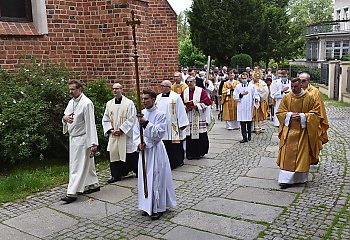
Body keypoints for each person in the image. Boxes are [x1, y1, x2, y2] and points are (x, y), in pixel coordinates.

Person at [137, 89, 176, 220]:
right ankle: (146, 205)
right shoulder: (141, 114)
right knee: (145, 178)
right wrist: (139, 143)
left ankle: (158, 207)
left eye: (146, 99)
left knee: (156, 178)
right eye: (143, 99)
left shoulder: (160, 114)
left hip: (156, 149)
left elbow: (159, 133)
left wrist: (146, 123)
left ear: (153, 99)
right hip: (144, 151)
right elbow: (135, 132)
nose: (144, 101)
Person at [276, 78, 321, 189]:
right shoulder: (287, 97)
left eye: (295, 86)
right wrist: (289, 115)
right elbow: (280, 112)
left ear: (301, 85)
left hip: (303, 132)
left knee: (302, 155)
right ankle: (285, 180)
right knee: (287, 155)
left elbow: (316, 114)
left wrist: (303, 116)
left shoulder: (309, 98)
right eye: (292, 86)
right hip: (289, 131)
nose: (293, 89)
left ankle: (300, 178)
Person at [61, 80, 100, 204]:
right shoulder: (71, 102)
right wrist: (64, 118)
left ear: (80, 89)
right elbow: (66, 116)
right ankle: (93, 184)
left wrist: (93, 143)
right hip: (73, 138)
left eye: (72, 89)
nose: (70, 92)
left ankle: (72, 192)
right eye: (70, 89)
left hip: (83, 139)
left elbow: (90, 124)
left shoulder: (87, 103)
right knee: (87, 162)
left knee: (76, 166)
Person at [102, 83, 138, 183]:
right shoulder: (109, 104)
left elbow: (132, 118)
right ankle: (116, 175)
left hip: (125, 135)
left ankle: (136, 170)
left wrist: (122, 129)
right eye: (113, 89)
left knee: (129, 154)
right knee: (114, 154)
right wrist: (110, 130)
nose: (115, 90)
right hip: (114, 135)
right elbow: (105, 119)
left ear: (122, 90)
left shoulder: (129, 103)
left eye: (117, 89)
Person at [156, 80, 189, 169]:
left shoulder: (176, 97)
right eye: (161, 86)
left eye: (163, 86)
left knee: (174, 145)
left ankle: (177, 161)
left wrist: (182, 124)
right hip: (162, 125)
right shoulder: (158, 97)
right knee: (164, 144)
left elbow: (180, 111)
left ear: (169, 88)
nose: (161, 88)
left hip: (172, 125)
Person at [299, 72, 329, 164]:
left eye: (303, 81)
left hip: (312, 121)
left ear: (308, 81)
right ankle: (302, 159)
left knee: (312, 140)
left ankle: (313, 157)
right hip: (299, 120)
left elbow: (319, 108)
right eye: (299, 80)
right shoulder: (296, 90)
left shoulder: (315, 91)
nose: (301, 83)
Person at [181, 77, 212, 159]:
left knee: (200, 134)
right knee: (189, 135)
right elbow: (181, 103)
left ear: (194, 82)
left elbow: (207, 102)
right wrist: (186, 107)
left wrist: (196, 106)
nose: (190, 83)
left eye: (191, 81)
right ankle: (190, 154)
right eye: (188, 82)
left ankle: (199, 153)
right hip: (189, 116)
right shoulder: (184, 92)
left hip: (198, 115)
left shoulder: (201, 91)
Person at [234, 73, 260, 143]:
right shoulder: (238, 86)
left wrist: (256, 99)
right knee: (242, 122)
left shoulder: (252, 86)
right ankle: (244, 137)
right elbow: (234, 96)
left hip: (249, 106)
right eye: (243, 78)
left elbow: (255, 94)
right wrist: (241, 94)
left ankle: (249, 136)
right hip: (241, 106)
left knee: (249, 121)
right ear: (240, 79)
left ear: (248, 78)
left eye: (245, 78)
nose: (244, 80)